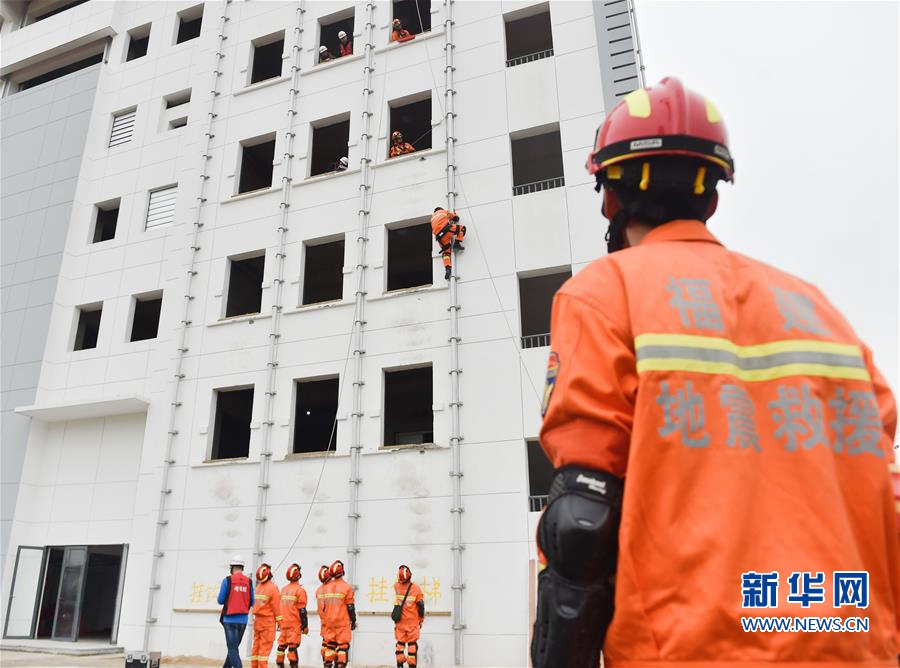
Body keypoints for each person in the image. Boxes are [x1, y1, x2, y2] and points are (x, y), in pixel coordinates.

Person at [531, 76, 899, 667]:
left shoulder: (604, 293)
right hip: (857, 644)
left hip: (688, 647)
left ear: (609, 198)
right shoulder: (822, 312)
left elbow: (581, 519)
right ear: (713, 198)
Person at [218, 556, 254, 668]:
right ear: (242, 568)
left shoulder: (227, 580)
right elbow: (252, 601)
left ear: (232, 568)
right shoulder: (249, 582)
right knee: (233, 649)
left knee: (232, 650)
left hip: (229, 620)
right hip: (243, 621)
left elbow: (220, 600)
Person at [321, 560, 356, 668]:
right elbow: (350, 607)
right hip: (342, 622)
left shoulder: (326, 588)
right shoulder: (347, 587)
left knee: (330, 645)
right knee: (343, 646)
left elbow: (324, 607)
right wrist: (353, 620)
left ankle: (327, 665)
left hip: (329, 622)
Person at [276, 564, 308, 668]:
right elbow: (302, 610)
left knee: (281, 646)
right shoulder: (300, 590)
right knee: (292, 647)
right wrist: (305, 626)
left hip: (283, 624)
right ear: (299, 575)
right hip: (294, 624)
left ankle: (279, 665)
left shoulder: (284, 589)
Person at [392, 565, 424, 668]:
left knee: (400, 644)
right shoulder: (416, 589)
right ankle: (411, 665)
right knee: (412, 645)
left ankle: (400, 664)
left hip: (400, 622)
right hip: (413, 622)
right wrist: (421, 620)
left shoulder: (396, 586)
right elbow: (421, 606)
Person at [250, 564, 282, 668]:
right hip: (268, 623)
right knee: (264, 651)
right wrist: (280, 623)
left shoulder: (258, 588)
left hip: (257, 622)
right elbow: (277, 608)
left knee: (256, 648)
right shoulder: (273, 588)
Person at [431, 207, 465, 280]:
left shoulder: (432, 218)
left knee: (446, 253)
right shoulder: (444, 212)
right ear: (440, 209)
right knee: (462, 228)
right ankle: (457, 244)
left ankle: (448, 268)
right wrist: (454, 214)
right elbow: (456, 218)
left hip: (439, 237)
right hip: (446, 230)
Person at [315, 565, 335, 668]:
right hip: (333, 622)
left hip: (323, 623)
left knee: (324, 644)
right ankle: (329, 665)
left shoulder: (318, 590)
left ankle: (325, 664)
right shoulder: (333, 588)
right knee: (332, 646)